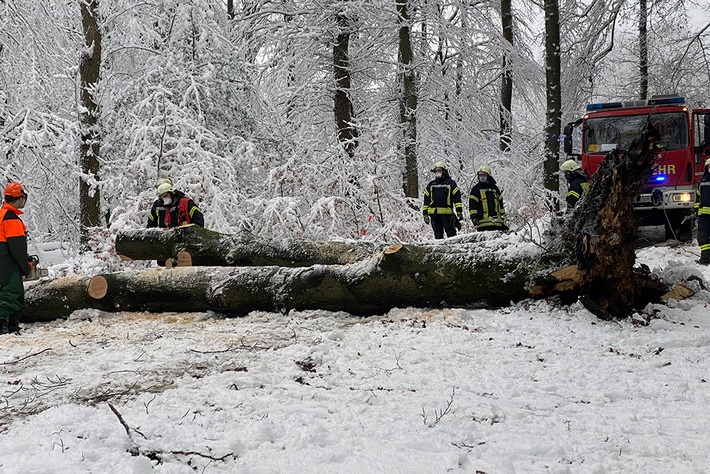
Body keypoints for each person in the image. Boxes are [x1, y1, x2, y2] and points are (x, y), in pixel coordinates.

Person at [0, 182, 31, 334]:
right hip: (8, 264)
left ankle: (12, 327)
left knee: (15, 297)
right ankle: (4, 327)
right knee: (11, 296)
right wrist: (25, 266)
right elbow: (17, 248)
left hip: (3, 262)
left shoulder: (2, 214)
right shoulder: (11, 219)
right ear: (19, 198)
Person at [422, 162, 463, 239]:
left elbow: (457, 198)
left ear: (444, 171)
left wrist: (459, 211)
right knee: (437, 235)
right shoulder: (431, 185)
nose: (437, 172)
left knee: (451, 234)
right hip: (434, 214)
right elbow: (426, 200)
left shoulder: (451, 183)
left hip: (447, 214)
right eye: (436, 171)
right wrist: (425, 214)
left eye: (439, 170)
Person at [469, 165, 507, 231]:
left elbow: (500, 204)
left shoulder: (495, 189)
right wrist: (474, 217)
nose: (482, 177)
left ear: (488, 176)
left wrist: (502, 216)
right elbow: (472, 205)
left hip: (496, 223)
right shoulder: (475, 189)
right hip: (482, 224)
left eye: (484, 175)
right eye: (480, 175)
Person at [694, 158, 710, 265]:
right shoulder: (702, 183)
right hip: (704, 216)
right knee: (702, 237)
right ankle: (704, 258)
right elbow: (698, 198)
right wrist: (696, 210)